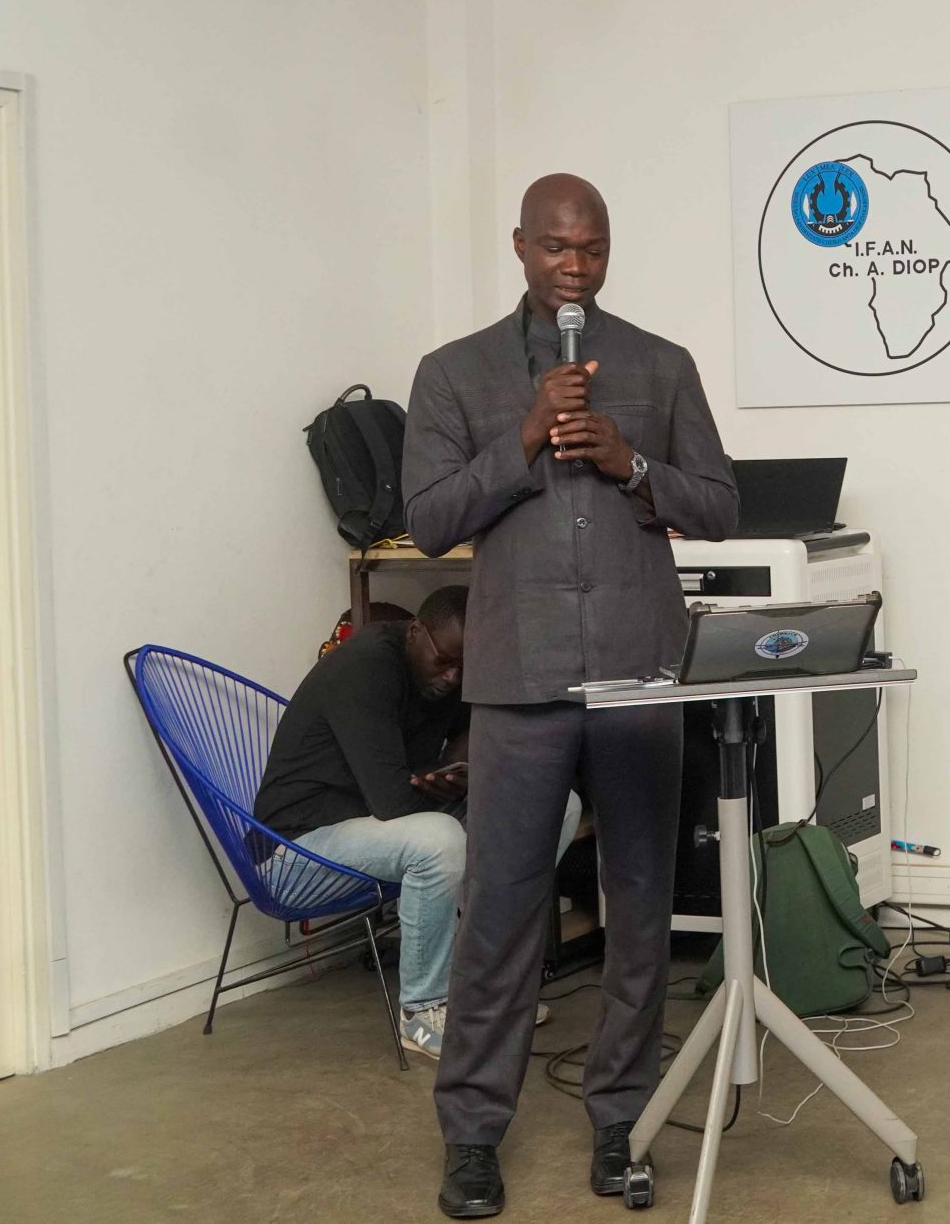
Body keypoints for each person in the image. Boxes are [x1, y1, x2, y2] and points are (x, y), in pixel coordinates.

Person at [404, 173, 738, 1219]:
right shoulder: (453, 373)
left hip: (639, 671)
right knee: (502, 910)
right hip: (519, 677)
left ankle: (622, 1119)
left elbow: (720, 505)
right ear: (519, 246)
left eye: (592, 248)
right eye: (556, 247)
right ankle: (472, 1134)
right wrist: (524, 436)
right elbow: (428, 522)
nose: (575, 266)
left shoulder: (661, 364)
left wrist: (634, 465)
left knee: (639, 906)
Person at [252, 586, 580, 1060]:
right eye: (444, 662)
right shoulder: (364, 668)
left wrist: (459, 760)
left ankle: (487, 989)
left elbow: (462, 750)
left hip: (381, 827)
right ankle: (423, 1011)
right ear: (414, 632)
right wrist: (445, 782)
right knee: (438, 839)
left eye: (465, 668)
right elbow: (393, 802)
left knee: (553, 805)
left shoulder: (450, 667)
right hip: (294, 852)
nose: (452, 677)